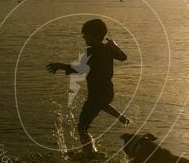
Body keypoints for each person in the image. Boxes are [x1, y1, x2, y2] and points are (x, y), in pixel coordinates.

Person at [47, 18, 129, 153]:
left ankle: (90, 152)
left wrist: (60, 66)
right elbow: (123, 57)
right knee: (99, 104)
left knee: (82, 127)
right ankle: (120, 118)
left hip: (96, 92)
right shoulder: (108, 50)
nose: (84, 38)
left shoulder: (90, 52)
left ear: (96, 36)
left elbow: (79, 69)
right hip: (108, 91)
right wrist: (114, 46)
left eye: (86, 35)